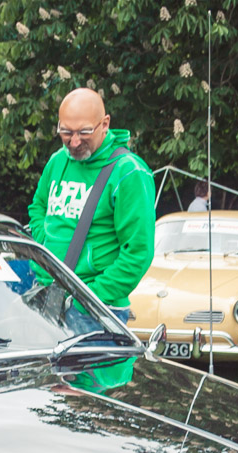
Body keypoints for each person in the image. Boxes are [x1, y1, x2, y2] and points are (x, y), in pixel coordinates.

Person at [27, 87, 155, 322]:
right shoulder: (57, 161)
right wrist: (44, 238)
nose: (74, 142)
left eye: (84, 132)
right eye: (65, 132)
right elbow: (38, 206)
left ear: (105, 124)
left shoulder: (129, 172)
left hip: (95, 311)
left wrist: (90, 298)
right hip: (47, 297)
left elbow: (138, 253)